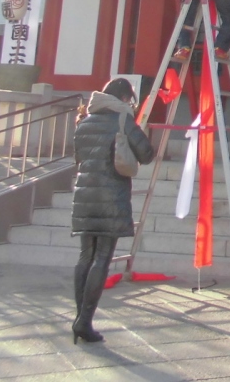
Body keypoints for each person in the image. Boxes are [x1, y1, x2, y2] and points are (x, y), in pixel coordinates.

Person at [70, 78, 154, 344]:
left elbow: (78, 157)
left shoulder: (84, 122)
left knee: (85, 256)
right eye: (130, 99)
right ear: (123, 98)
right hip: (111, 195)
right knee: (102, 257)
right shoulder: (122, 120)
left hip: (85, 195)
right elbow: (147, 154)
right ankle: (84, 321)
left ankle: (80, 319)